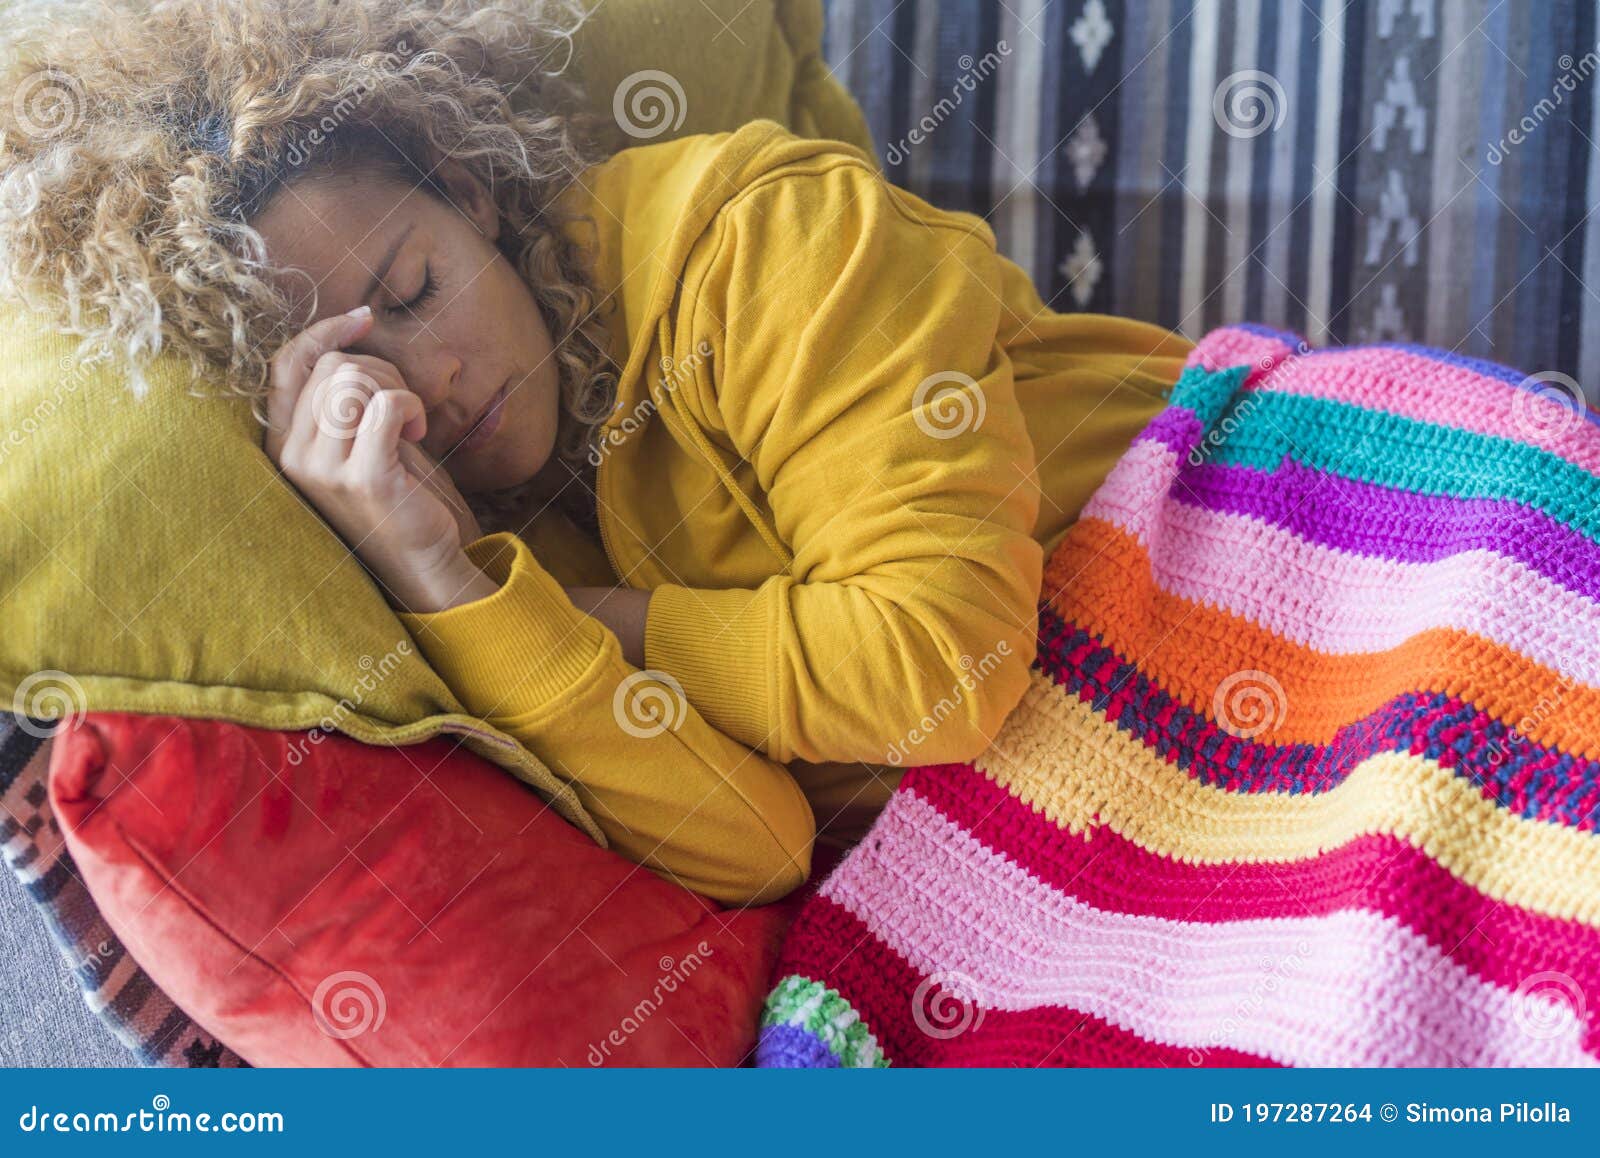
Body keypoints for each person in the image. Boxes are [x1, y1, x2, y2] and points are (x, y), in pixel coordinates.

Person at [0, 0, 1191, 905]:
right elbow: (754, 848)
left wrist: (579, 613)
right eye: (364, 381)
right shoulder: (452, 514)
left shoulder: (760, 238)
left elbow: (938, 666)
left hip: (1242, 517)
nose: (437, 385)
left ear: (469, 195)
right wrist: (445, 587)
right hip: (1092, 802)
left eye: (411, 291)